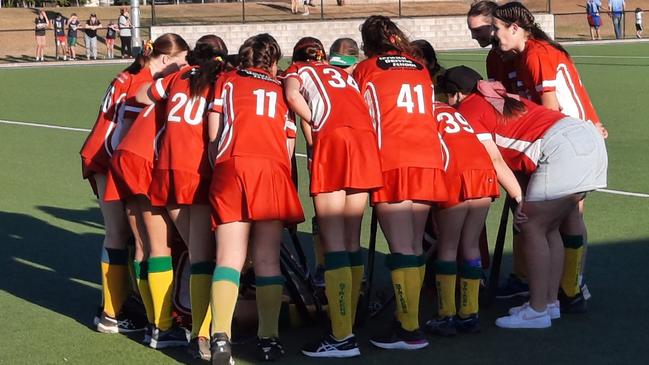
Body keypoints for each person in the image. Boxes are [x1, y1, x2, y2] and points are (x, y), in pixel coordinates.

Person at [439, 65, 607, 329]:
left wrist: (519, 198)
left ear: (456, 94)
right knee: (549, 228)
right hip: (587, 138)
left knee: (531, 225)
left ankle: (537, 309)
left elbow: (494, 158)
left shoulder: (469, 108)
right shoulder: (499, 94)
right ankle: (549, 303)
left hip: (563, 147)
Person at [494, 1, 607, 312]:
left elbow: (550, 109)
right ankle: (563, 290)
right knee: (562, 219)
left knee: (548, 220)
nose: (491, 35)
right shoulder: (520, 54)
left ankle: (561, 292)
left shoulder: (537, 53)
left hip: (567, 143)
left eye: (494, 29)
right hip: (572, 140)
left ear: (514, 28)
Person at [207, 33, 304, 364]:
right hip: (272, 171)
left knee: (228, 259)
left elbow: (213, 132)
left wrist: (217, 166)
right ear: (273, 62)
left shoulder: (227, 80)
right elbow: (289, 145)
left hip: (232, 166)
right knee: (267, 261)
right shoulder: (281, 88)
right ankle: (268, 339)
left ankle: (220, 337)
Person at [283, 37, 383, 358]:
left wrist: (312, 119)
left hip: (335, 136)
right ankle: (348, 321)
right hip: (364, 138)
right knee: (351, 239)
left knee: (334, 240)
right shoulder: (341, 74)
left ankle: (342, 336)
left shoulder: (298, 69)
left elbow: (291, 93)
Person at [353, 15, 448, 350]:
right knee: (413, 245)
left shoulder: (366, 69)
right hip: (427, 157)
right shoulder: (419, 67)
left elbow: (359, 113)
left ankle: (409, 328)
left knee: (401, 247)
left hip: (391, 157)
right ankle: (408, 321)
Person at [136, 34, 231, 361]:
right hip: (198, 172)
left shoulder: (178, 76)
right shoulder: (222, 79)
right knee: (204, 254)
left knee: (192, 248)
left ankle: (173, 325)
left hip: (168, 170)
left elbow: (142, 95)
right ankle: (202, 334)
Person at [102, 34, 190, 349]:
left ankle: (153, 323)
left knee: (141, 244)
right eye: (183, 58)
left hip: (122, 158)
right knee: (160, 246)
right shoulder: (172, 80)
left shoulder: (149, 80)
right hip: (131, 159)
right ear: (167, 59)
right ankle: (163, 326)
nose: (186, 65)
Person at [423, 98, 499, 337]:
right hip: (484, 171)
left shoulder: (421, 113)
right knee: (470, 244)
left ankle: (446, 315)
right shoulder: (452, 111)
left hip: (455, 171)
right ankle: (469, 313)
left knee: (447, 245)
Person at [467, 0, 527, 299]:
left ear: (495, 25)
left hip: (535, 139)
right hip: (513, 140)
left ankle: (565, 284)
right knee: (523, 211)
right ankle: (523, 276)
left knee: (539, 213)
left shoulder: (526, 51)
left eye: (478, 30)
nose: (474, 36)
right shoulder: (494, 57)